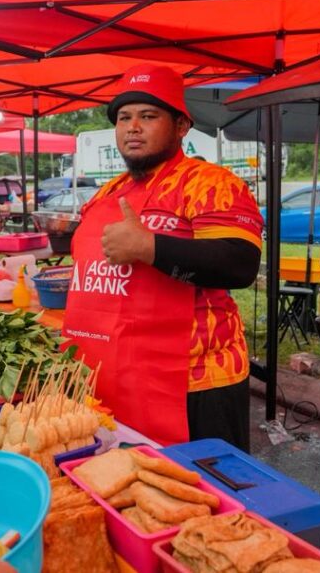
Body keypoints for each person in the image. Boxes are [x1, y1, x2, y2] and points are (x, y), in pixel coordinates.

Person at [62, 64, 263, 449]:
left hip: (196, 383)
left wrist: (149, 247)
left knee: (200, 485)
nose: (133, 127)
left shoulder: (211, 183)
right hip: (115, 377)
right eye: (124, 118)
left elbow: (240, 263)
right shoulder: (106, 193)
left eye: (148, 116)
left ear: (181, 125)